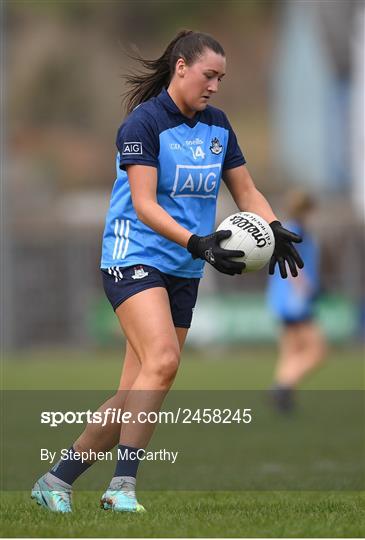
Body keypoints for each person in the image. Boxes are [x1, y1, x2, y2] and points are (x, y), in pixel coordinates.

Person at [31, 30, 303, 513]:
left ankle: (56, 480)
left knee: (139, 387)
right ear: (181, 67)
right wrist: (198, 242)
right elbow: (144, 205)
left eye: (221, 77)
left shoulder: (219, 126)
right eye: (208, 74)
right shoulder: (144, 124)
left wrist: (275, 226)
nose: (215, 85)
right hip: (132, 256)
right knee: (163, 360)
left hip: (183, 268)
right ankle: (122, 489)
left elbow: (246, 192)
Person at [267, 191, 327, 412]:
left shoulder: (290, 228)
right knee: (317, 351)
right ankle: (282, 386)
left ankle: (283, 395)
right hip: (295, 299)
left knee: (290, 350)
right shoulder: (295, 230)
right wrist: (305, 287)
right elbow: (291, 262)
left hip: (281, 298)